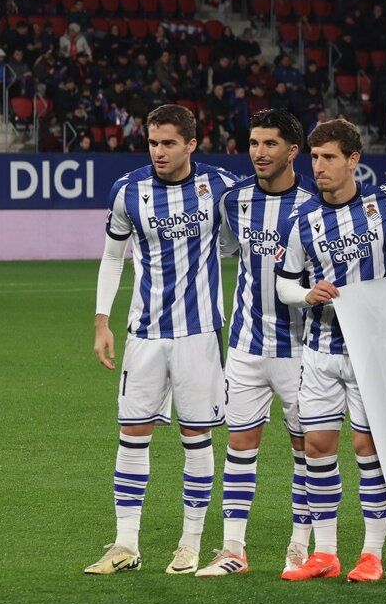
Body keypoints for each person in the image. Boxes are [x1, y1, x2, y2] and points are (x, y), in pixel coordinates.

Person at [86, 104, 234, 576]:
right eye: (153, 142)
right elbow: (113, 258)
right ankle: (125, 544)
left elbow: (243, 238)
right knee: (132, 436)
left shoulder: (221, 188)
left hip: (197, 334)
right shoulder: (128, 191)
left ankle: (190, 544)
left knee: (195, 438)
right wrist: (101, 320)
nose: (159, 151)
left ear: (192, 143)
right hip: (144, 333)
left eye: (169, 143)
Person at [275, 119, 386, 584]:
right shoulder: (304, 220)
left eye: (329, 157)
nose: (319, 166)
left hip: (371, 352)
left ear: (353, 159)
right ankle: (325, 553)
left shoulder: (384, 204)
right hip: (320, 350)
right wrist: (306, 294)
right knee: (317, 447)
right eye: (314, 156)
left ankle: (371, 554)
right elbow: (285, 281)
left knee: (368, 449)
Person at [202, 109, 318, 578]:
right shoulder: (235, 201)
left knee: (307, 450)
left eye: (270, 144)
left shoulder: (313, 206)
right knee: (240, 446)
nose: (259, 152)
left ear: (293, 151)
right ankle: (233, 549)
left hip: (300, 348)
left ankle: (299, 545)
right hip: (246, 346)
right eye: (253, 143)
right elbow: (227, 248)